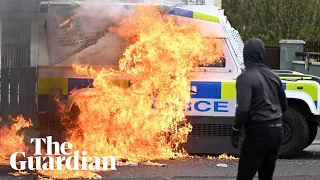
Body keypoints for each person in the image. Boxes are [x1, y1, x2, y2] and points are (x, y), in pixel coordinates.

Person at [231, 38, 288, 180]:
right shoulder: (274, 76)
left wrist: (236, 130)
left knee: (244, 176)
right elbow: (284, 106)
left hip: (258, 133)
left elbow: (243, 109)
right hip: (277, 132)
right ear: (262, 54)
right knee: (266, 177)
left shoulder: (245, 78)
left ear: (245, 55)